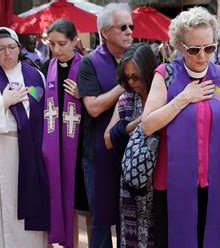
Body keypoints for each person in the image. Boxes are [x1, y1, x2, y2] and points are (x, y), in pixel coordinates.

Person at [142, 6, 220, 247]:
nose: (203, 55)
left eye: (210, 48)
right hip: (173, 182)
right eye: (194, 49)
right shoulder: (166, 75)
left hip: (216, 183)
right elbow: (148, 124)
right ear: (179, 46)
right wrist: (183, 98)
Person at [0, 27, 50, 247]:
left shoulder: (35, 76)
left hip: (30, 150)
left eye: (11, 47)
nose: (7, 53)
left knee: (29, 205)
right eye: (0, 48)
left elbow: (41, 110)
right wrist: (3, 102)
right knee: (1, 206)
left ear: (19, 48)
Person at [76, 3, 133, 247]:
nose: (130, 31)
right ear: (105, 32)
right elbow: (94, 107)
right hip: (97, 154)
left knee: (129, 217)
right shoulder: (89, 63)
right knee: (100, 221)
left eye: (131, 26)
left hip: (131, 152)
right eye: (123, 27)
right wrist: (125, 84)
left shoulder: (137, 57)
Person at [104, 43, 157, 248]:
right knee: (130, 237)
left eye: (136, 76)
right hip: (131, 183)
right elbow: (108, 139)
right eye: (127, 78)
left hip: (161, 182)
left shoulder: (164, 95)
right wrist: (138, 123)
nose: (132, 82)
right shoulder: (126, 99)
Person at [40, 18, 85, 248]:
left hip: (77, 148)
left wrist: (82, 95)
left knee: (77, 203)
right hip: (52, 146)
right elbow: (38, 99)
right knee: (52, 196)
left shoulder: (86, 67)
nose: (56, 50)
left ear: (75, 41)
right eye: (52, 44)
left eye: (62, 43)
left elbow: (97, 106)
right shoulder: (46, 67)